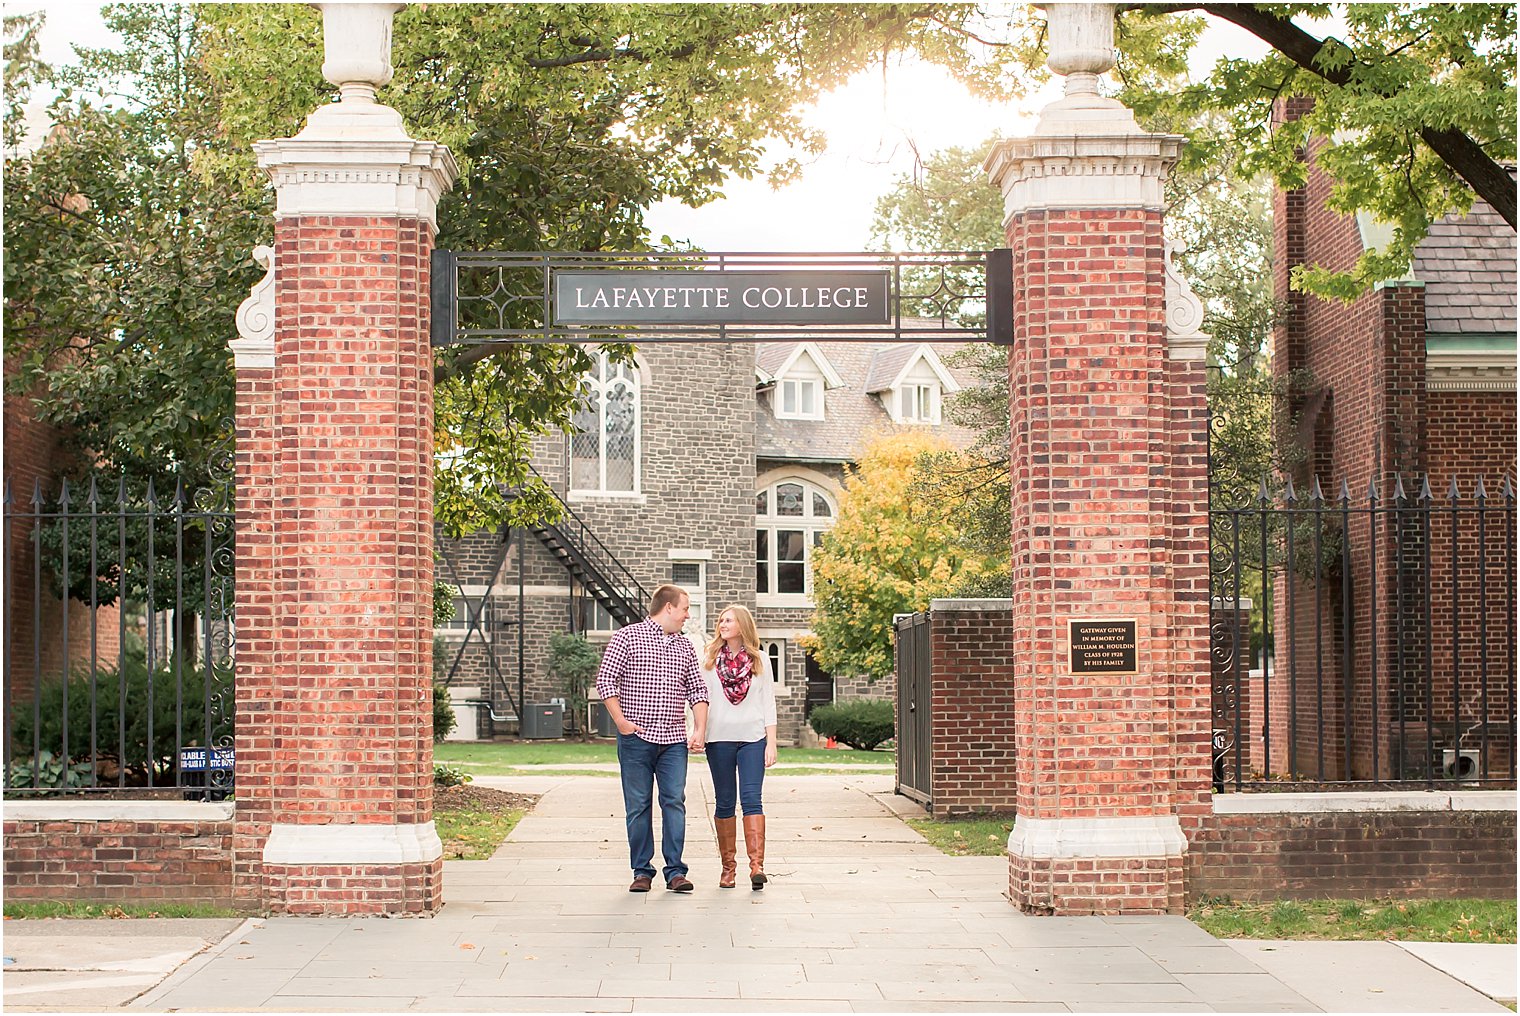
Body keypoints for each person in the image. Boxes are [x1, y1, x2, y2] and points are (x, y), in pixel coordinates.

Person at [595, 584, 710, 893]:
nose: (688, 615)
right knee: (638, 805)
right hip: (637, 739)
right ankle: (642, 871)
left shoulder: (685, 646)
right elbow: (605, 680)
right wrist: (621, 722)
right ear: (669, 607)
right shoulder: (627, 637)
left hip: (673, 740)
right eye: (685, 608)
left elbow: (697, 690)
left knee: (674, 802)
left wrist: (698, 729)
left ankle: (676, 871)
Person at [700, 604, 777, 890]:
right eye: (721, 620)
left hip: (753, 739)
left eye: (729, 620)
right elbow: (700, 699)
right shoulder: (708, 659)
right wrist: (697, 731)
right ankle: (728, 869)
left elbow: (768, 702)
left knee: (752, 800)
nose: (722, 624)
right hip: (718, 739)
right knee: (724, 802)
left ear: (742, 625)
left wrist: (771, 742)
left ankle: (757, 867)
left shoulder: (761, 660)